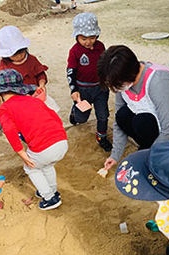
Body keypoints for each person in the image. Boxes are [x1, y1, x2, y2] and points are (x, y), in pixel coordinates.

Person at [98, 45, 169, 171]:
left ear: (127, 75)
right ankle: (148, 147)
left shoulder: (159, 81)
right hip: (152, 122)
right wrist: (115, 155)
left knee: (142, 121)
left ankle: (155, 153)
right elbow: (119, 121)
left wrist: (148, 158)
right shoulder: (122, 81)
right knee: (123, 115)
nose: (114, 89)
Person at [0, 69, 68, 210]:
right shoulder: (32, 100)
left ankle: (49, 198)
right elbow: (54, 116)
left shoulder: (4, 109)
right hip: (61, 140)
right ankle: (52, 190)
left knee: (31, 168)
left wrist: (21, 153)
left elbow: (9, 131)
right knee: (47, 165)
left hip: (43, 147)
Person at [66, 13, 111, 152]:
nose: (88, 42)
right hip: (83, 89)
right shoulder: (75, 51)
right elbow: (70, 71)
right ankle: (75, 113)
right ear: (77, 36)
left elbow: (105, 65)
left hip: (100, 88)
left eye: (92, 38)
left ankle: (101, 136)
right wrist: (74, 90)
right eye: (84, 38)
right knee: (82, 118)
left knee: (103, 115)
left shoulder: (101, 47)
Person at [0, 26, 59, 112]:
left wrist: (41, 84)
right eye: (14, 54)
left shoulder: (31, 59)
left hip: (37, 95)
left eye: (21, 52)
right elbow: (2, 89)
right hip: (19, 102)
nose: (19, 56)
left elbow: (40, 74)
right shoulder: (3, 68)